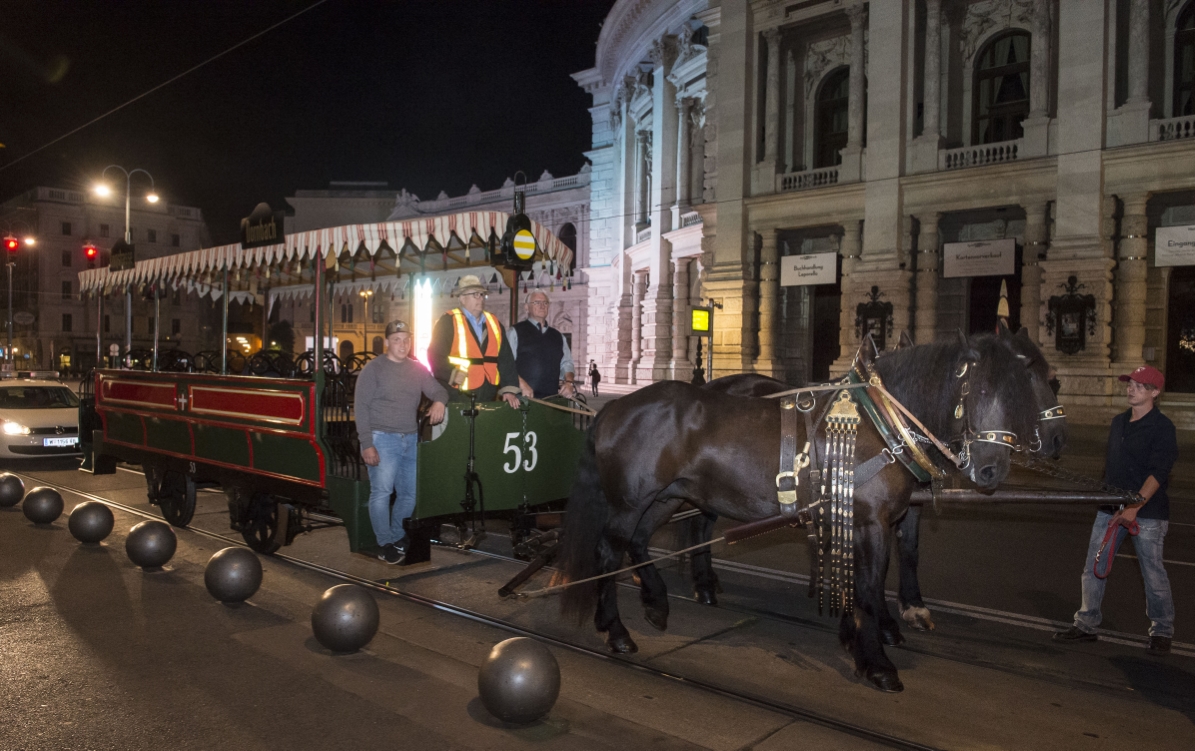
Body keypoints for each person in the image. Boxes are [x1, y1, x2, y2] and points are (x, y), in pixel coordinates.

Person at [1054, 365, 1178, 654]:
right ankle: (1086, 624)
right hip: (1110, 508)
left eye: (1139, 385)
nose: (1131, 388)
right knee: (1093, 568)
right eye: (1130, 383)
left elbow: (1159, 472)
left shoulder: (1163, 428)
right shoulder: (1119, 422)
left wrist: (1134, 506)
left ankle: (1162, 630)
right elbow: (1111, 467)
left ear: (1154, 392)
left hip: (1147, 514)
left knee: (1153, 574)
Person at [355, 320, 448, 565]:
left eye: (406, 339)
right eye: (397, 339)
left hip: (410, 439)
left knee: (409, 494)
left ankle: (396, 536)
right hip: (382, 438)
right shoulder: (373, 369)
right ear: (387, 342)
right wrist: (366, 443)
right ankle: (384, 543)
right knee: (382, 492)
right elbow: (361, 408)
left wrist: (439, 402)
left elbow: (440, 391)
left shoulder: (417, 369)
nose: (403, 344)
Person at [427, 274, 521, 409]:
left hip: (488, 394)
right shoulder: (448, 321)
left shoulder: (494, 323)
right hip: (457, 395)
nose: (480, 299)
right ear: (462, 298)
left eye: (482, 295)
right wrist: (452, 374)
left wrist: (509, 389)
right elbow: (435, 355)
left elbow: (506, 359)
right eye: (475, 295)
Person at [508, 290, 576, 399]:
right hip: (522, 400)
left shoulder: (558, 337)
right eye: (537, 302)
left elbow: (567, 363)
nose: (542, 306)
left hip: (551, 401)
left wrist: (569, 383)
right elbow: (506, 365)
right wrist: (521, 384)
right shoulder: (515, 332)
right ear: (526, 307)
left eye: (545, 303)